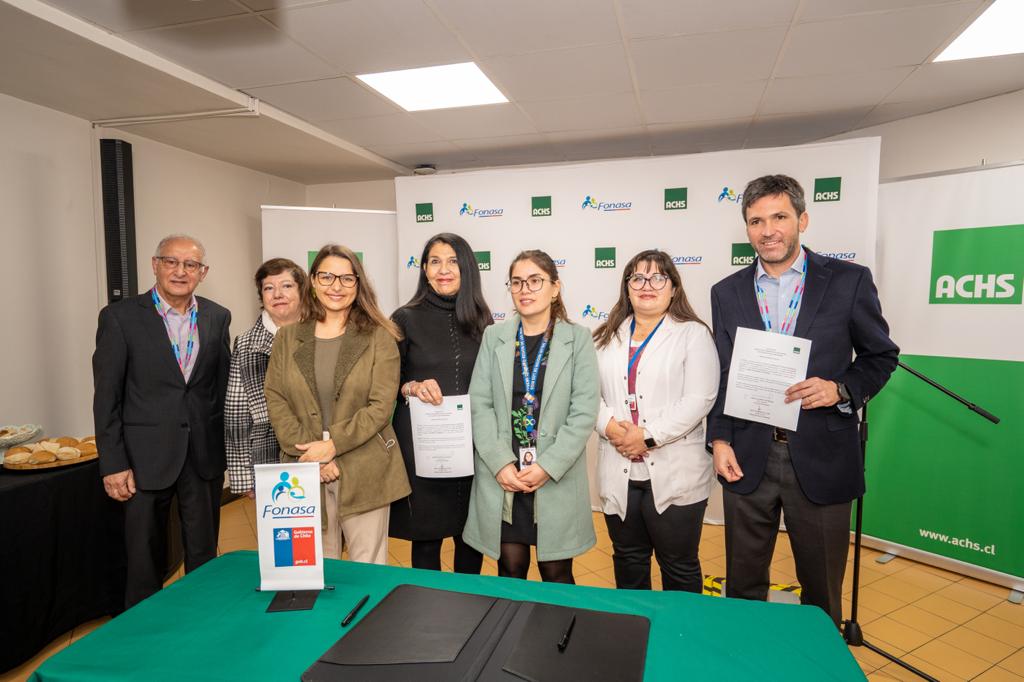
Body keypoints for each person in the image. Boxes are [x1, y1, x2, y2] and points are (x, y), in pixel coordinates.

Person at [708, 174, 899, 626]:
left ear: (802, 220)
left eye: (779, 217)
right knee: (743, 587)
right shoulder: (726, 292)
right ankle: (745, 657)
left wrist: (840, 389)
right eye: (756, 221)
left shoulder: (849, 281)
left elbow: (881, 356)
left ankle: (818, 658)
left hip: (822, 455)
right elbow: (723, 372)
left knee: (821, 593)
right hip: (748, 454)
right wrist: (719, 440)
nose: (768, 230)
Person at [93, 234, 231, 608]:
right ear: (155, 265)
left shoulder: (218, 317)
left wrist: (229, 453)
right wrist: (113, 463)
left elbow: (220, 389)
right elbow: (106, 398)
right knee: (144, 557)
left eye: (190, 264)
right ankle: (145, 630)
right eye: (171, 261)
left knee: (203, 552)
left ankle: (202, 619)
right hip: (143, 459)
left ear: (203, 272)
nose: (180, 271)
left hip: (202, 456)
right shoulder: (120, 318)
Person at [264, 244, 410, 564]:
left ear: (358, 285)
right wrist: (312, 455)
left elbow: (380, 407)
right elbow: (276, 398)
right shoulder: (287, 338)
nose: (336, 286)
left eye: (346, 278)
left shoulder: (380, 337)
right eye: (327, 277)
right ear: (313, 281)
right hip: (303, 471)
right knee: (312, 567)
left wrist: (332, 447)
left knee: (367, 569)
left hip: (366, 468)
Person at [463, 250, 599, 584]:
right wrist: (500, 463)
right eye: (517, 282)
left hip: (554, 474)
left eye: (535, 281)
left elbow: (583, 411)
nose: (525, 289)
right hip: (505, 475)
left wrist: (547, 467)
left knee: (556, 572)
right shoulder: (494, 337)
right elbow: (479, 404)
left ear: (555, 288)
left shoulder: (578, 339)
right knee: (510, 567)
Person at [592, 249, 719, 593]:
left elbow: (700, 399)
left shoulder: (693, 334)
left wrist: (647, 436)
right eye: (638, 278)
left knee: (678, 566)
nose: (647, 285)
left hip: (676, 471)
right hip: (619, 468)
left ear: (674, 287)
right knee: (628, 560)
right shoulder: (604, 337)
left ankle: (681, 628)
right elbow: (588, 395)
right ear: (627, 286)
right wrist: (611, 427)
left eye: (658, 278)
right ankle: (634, 625)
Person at [389, 233, 491, 573]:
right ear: (424, 269)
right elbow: (385, 384)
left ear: (467, 268)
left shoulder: (483, 320)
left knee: (471, 540)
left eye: (452, 261)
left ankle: (469, 602)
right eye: (435, 261)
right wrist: (412, 386)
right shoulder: (404, 318)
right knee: (426, 542)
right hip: (425, 449)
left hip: (474, 449)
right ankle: (426, 604)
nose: (443, 270)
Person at [225, 258, 308, 497]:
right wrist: (243, 476)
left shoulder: (324, 333)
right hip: (269, 457)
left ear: (301, 290)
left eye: (286, 286)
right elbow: (236, 414)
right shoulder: (246, 344)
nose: (278, 294)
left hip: (319, 451)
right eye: (269, 288)